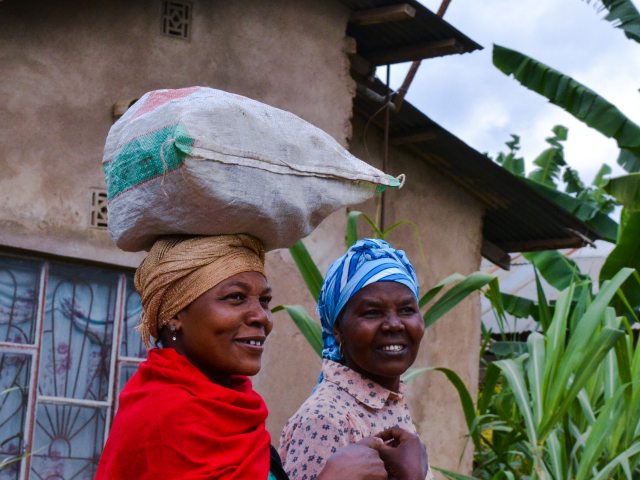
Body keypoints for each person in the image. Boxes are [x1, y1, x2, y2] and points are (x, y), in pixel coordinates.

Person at [95, 234, 417, 480]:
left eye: (264, 300)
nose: (262, 317)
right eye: (236, 298)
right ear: (175, 314)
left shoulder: (233, 412)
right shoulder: (164, 416)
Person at [279, 238, 434, 480]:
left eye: (406, 310)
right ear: (338, 329)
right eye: (372, 312)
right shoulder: (327, 419)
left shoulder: (387, 403)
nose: (394, 324)